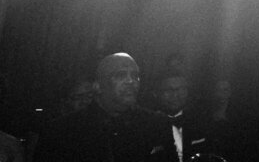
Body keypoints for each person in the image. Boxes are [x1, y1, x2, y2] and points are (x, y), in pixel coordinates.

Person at [35, 52, 174, 162]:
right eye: (120, 75)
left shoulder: (156, 124)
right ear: (98, 86)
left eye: (135, 75)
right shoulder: (61, 131)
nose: (131, 81)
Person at [152, 72, 220, 161]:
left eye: (181, 89)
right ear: (156, 93)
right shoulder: (148, 123)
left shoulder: (201, 121)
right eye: (168, 90)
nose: (176, 95)